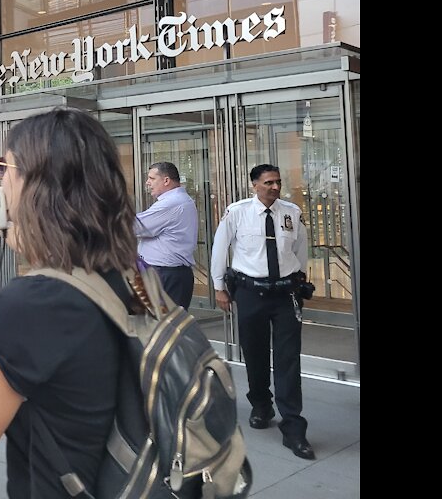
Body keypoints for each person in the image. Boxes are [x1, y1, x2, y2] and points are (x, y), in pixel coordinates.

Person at [0, 108, 138, 497]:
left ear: (34, 188)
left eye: (5, 169)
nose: (0, 184)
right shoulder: (117, 270)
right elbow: (18, 230)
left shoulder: (34, 303)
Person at [211, 164, 315, 461]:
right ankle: (260, 404)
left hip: (285, 294)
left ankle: (293, 426)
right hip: (250, 292)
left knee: (288, 359)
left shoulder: (290, 212)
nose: (275, 187)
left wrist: (302, 281)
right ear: (254, 185)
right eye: (268, 182)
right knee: (255, 353)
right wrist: (219, 287)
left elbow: (300, 250)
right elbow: (220, 249)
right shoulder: (238, 212)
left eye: (278, 182)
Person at [135, 161, 200, 309]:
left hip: (167, 274)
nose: (147, 183)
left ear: (166, 180)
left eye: (152, 178)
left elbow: (136, 227)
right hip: (165, 273)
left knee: (164, 327)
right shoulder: (176, 200)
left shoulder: (172, 203)